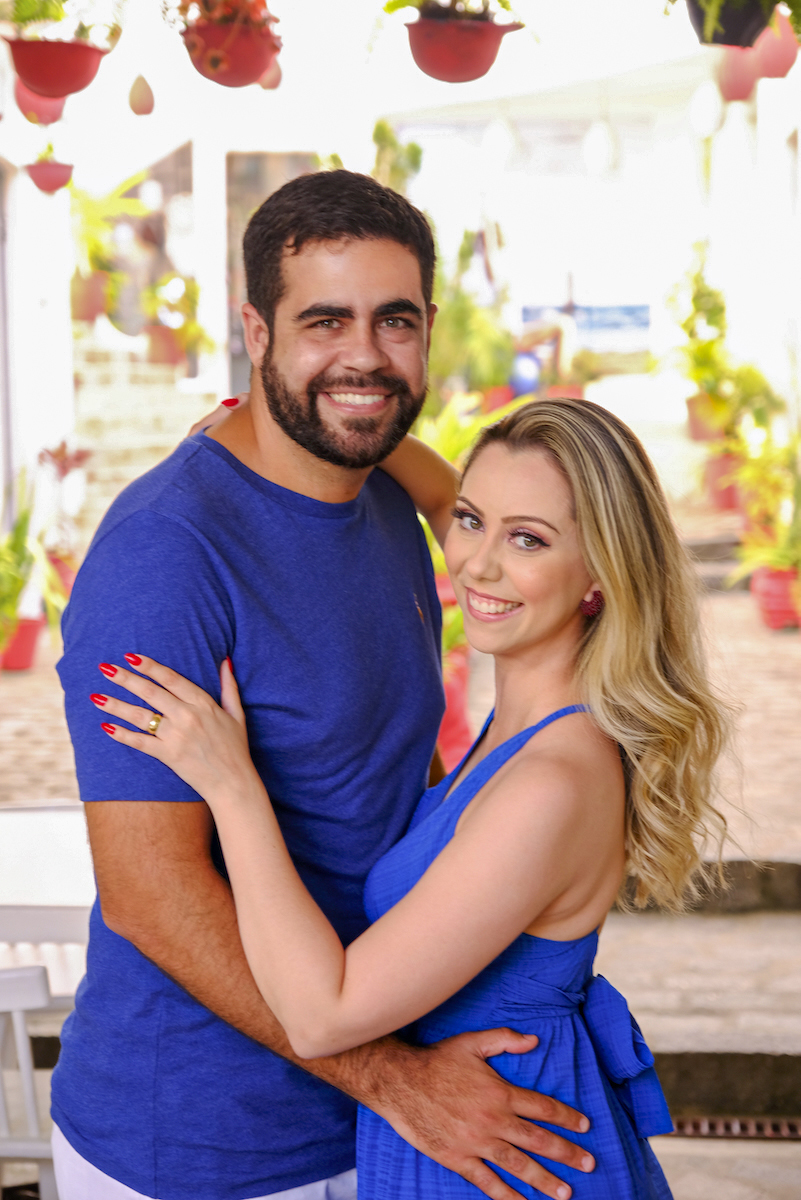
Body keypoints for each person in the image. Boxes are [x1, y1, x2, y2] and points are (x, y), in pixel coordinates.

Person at [53, 170, 592, 1200]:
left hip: (383, 1114)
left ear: (427, 327)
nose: (366, 356)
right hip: (207, 1146)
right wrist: (396, 1082)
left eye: (394, 321)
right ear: (256, 332)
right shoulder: (164, 556)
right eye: (324, 322)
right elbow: (148, 896)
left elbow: (508, 523)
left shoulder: (383, 488)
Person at [92, 397, 729, 1199]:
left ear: (600, 576)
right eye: (470, 521)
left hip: (501, 1147)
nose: (478, 565)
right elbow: (439, 491)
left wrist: (232, 785)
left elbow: (322, 1015)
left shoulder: (551, 783)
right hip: (467, 1127)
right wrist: (282, 418)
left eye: (527, 539)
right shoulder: (521, 731)